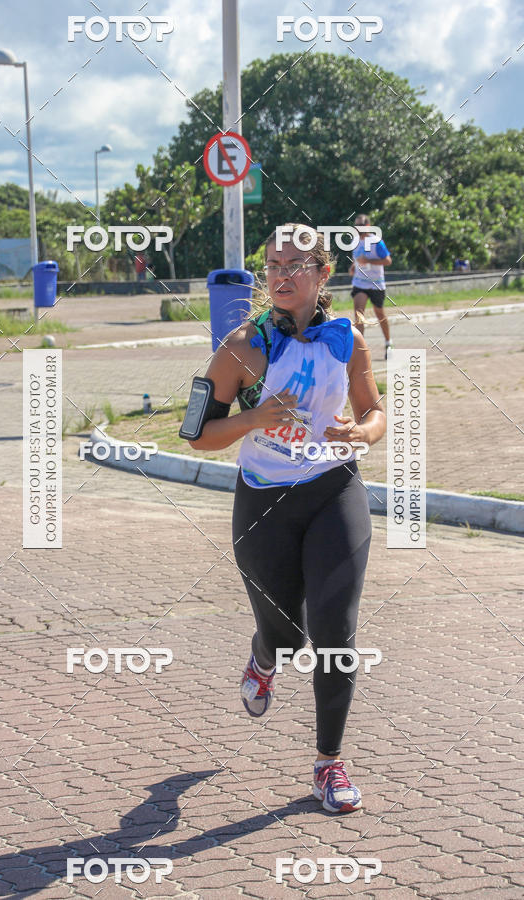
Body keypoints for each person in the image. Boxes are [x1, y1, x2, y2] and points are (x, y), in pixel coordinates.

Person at [181, 223, 386, 813]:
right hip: (263, 500)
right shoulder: (241, 347)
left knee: (333, 628)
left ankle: (329, 764)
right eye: (273, 265)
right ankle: (265, 656)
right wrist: (254, 419)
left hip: (333, 488)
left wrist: (362, 432)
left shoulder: (347, 337)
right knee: (287, 634)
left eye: (297, 265)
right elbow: (196, 434)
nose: (281, 275)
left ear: (324, 274)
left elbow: (374, 410)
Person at [349, 214, 393, 359]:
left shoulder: (376, 242)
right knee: (359, 314)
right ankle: (360, 349)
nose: (358, 228)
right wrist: (353, 267)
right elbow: (357, 259)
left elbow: (387, 261)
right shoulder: (355, 242)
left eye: (361, 225)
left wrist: (368, 260)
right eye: (356, 225)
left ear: (367, 226)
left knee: (379, 313)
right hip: (360, 283)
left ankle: (388, 342)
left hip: (376, 283)